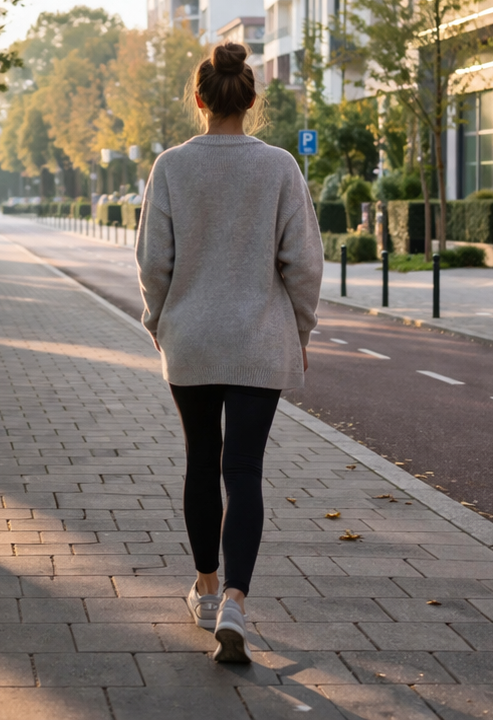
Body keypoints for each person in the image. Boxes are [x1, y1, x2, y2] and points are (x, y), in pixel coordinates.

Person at [135, 41, 323, 664]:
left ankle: (206, 588)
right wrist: (300, 331)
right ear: (250, 99)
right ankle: (237, 602)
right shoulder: (279, 168)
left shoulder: (171, 166)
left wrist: (158, 320)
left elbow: (153, 262)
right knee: (243, 470)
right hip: (258, 342)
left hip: (191, 338)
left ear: (199, 99)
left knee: (200, 460)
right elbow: (303, 263)